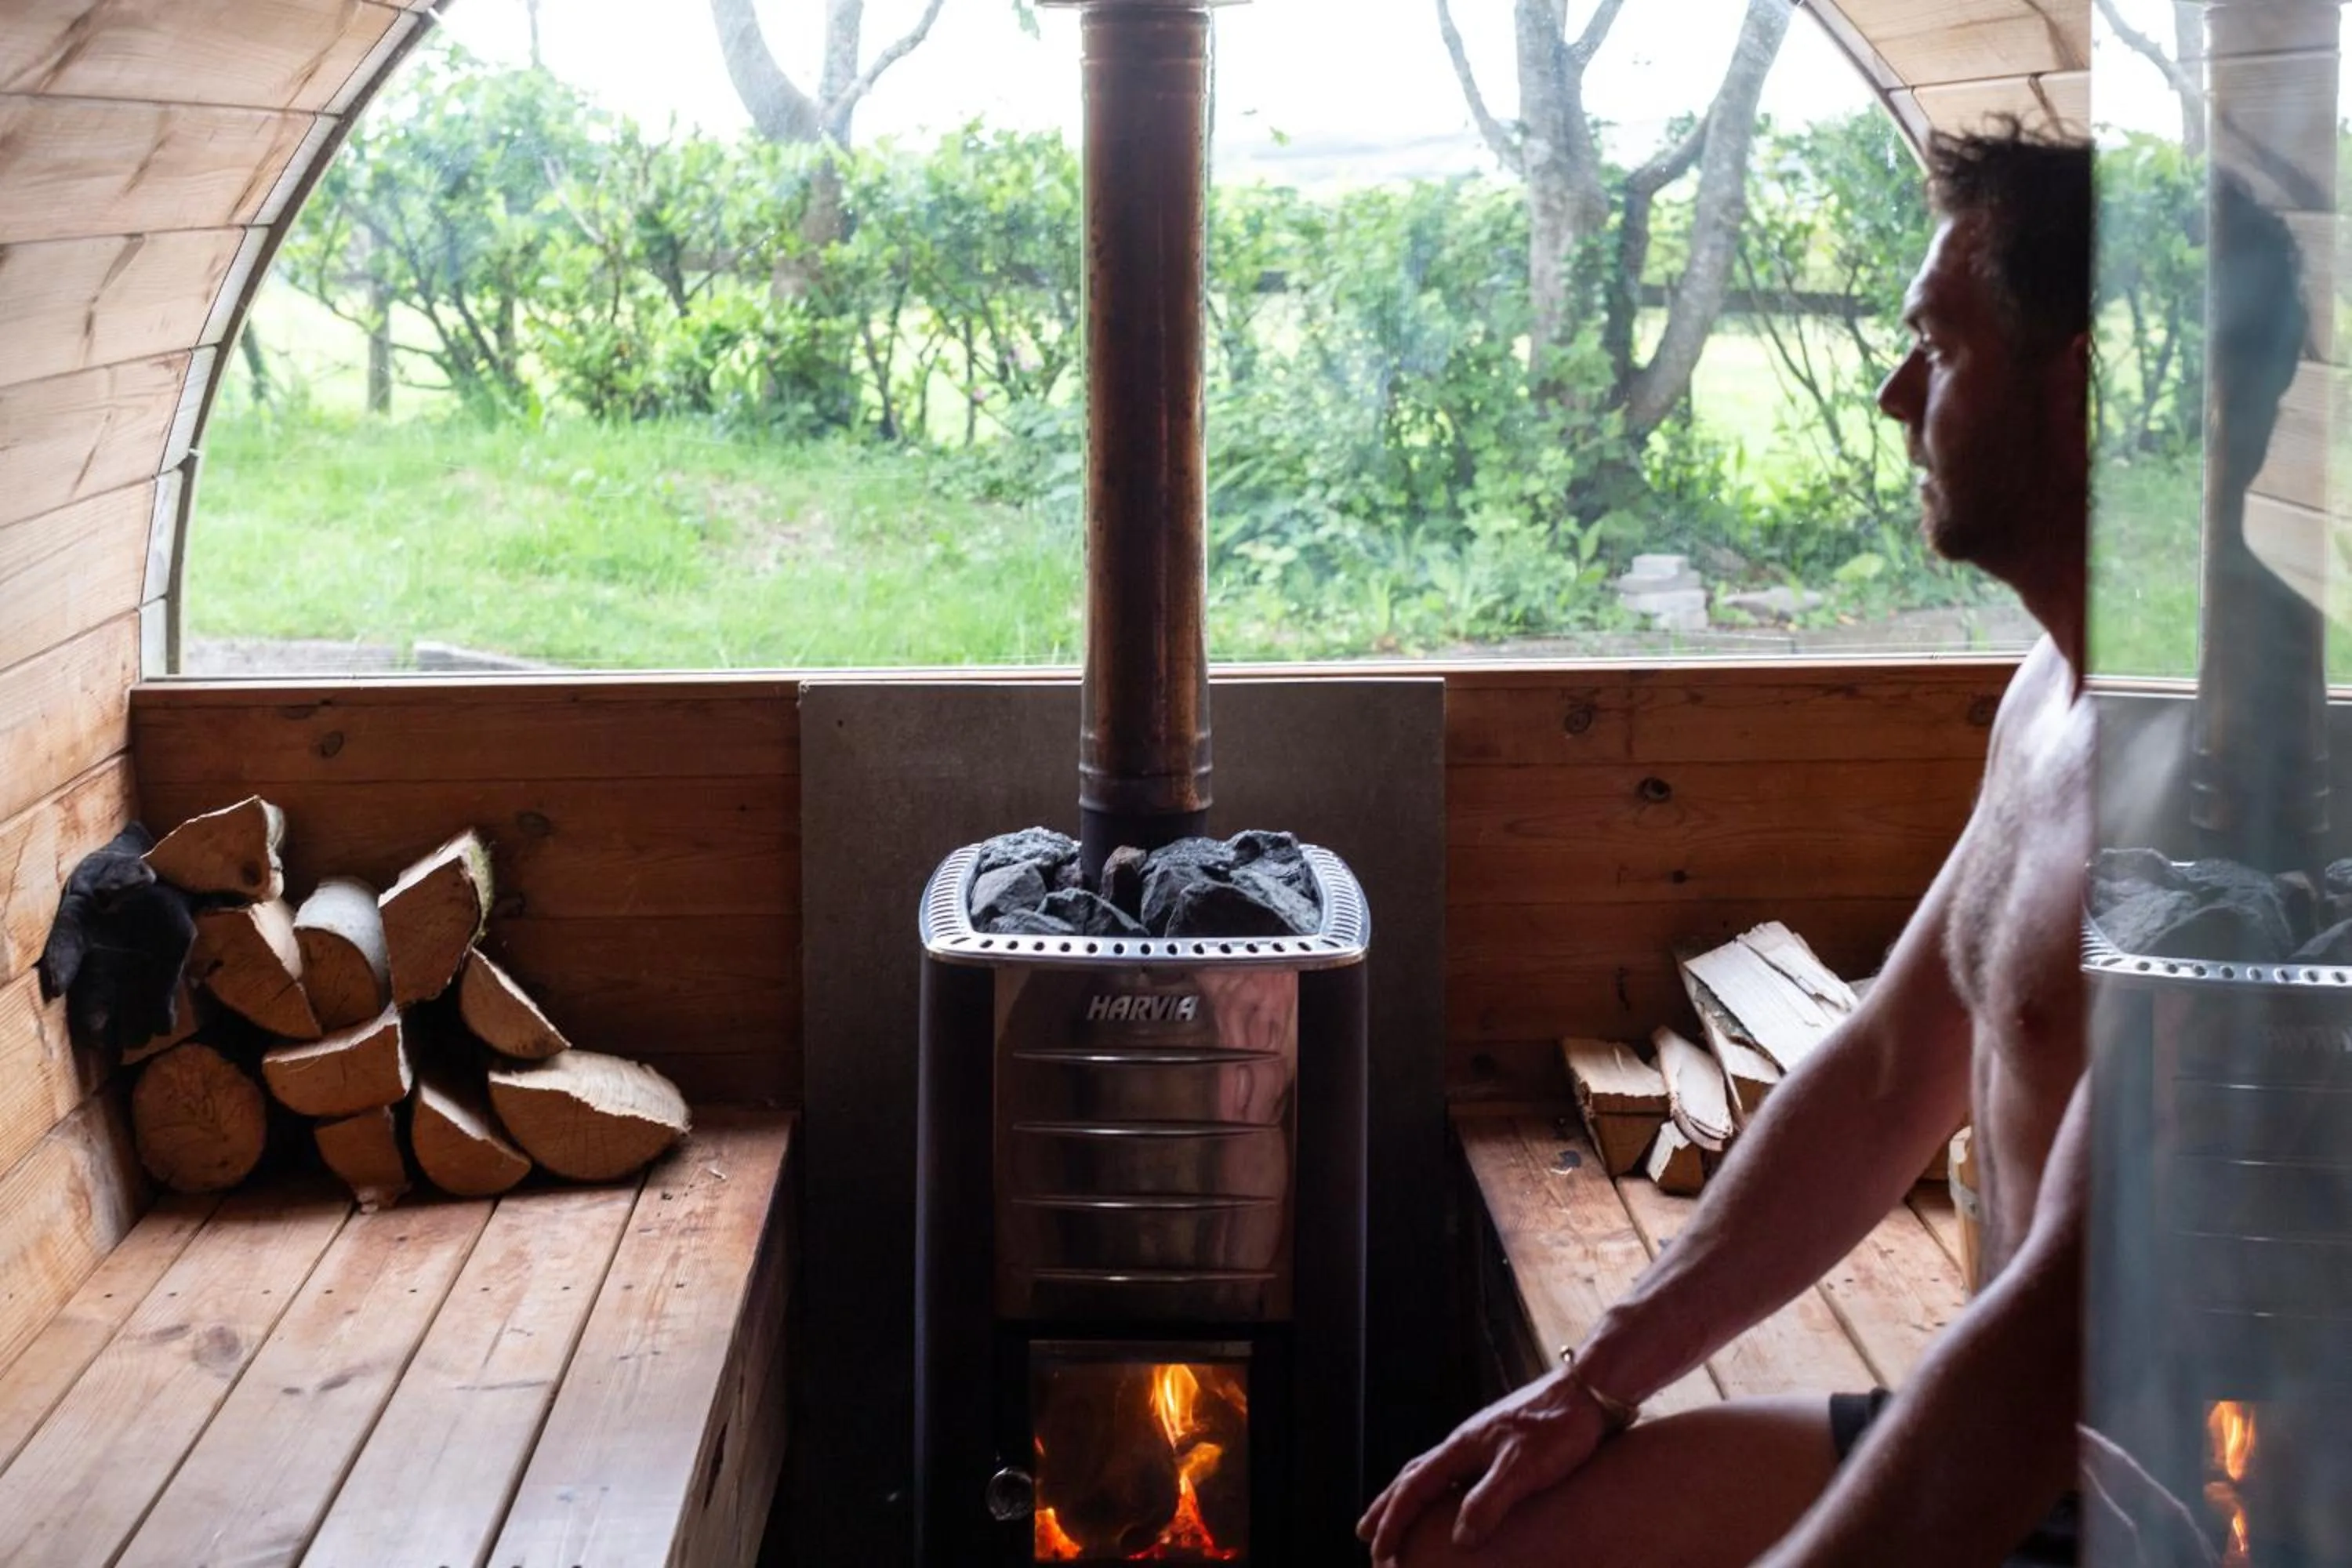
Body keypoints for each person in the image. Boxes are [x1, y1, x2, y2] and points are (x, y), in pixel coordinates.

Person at [1359, 124, 2102, 1568]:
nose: (1892, 398)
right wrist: (1590, 1383)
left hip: (2179, 1494)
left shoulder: (2240, 781)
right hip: (2042, 1445)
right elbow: (1891, 1074)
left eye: (1937, 353)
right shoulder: (2050, 698)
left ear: (2081, 388)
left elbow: (2065, 1327)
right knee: (1468, 1541)